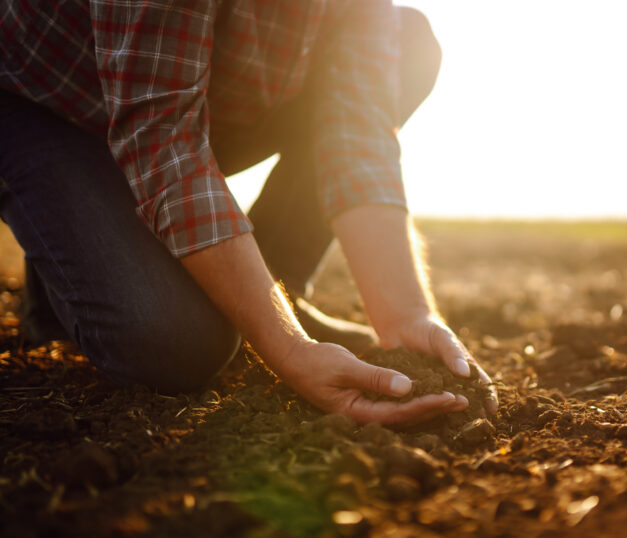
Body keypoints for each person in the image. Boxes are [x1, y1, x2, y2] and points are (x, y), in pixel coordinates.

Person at [0, 0, 497, 425]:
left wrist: (406, 315)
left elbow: (358, 135)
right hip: (43, 102)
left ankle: (272, 291)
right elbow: (162, 136)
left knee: (408, 46)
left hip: (195, 95)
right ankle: (65, 247)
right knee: (179, 345)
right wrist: (290, 352)